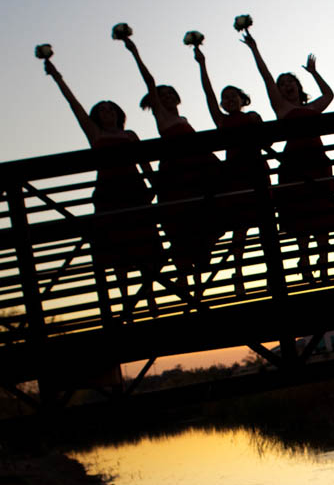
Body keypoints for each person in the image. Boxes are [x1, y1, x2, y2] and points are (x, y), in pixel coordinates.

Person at [43, 58, 161, 320]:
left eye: (111, 110)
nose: (107, 113)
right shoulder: (95, 135)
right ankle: (126, 300)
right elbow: (75, 106)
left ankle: (150, 298)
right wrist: (57, 77)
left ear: (118, 114)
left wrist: (156, 186)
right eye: (103, 111)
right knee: (118, 249)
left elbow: (145, 164)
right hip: (110, 194)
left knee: (145, 245)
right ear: (98, 116)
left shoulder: (130, 136)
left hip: (135, 191)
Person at [122, 34, 223, 301]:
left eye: (169, 94)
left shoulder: (182, 118)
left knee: (202, 220)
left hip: (197, 172)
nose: (166, 97)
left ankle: (197, 281)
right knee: (178, 224)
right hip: (176, 175)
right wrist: (134, 51)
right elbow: (150, 82)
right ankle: (184, 280)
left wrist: (201, 62)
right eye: (161, 95)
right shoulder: (164, 118)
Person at [242, 30, 334, 282]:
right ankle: (304, 259)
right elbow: (266, 77)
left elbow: (329, 95)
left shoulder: (312, 107)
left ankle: (324, 263)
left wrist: (314, 73)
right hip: (294, 163)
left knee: (322, 213)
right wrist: (255, 50)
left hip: (318, 161)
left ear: (297, 86)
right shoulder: (281, 107)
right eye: (283, 84)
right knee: (301, 215)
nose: (286, 86)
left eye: (290, 82)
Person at [193, 44, 269, 295]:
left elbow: (266, 139)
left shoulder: (252, 116)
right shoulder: (222, 120)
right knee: (240, 228)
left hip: (255, 172)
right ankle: (238, 271)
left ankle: (270, 270)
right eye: (225, 98)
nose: (229, 100)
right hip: (235, 176)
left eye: (233, 96)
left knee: (263, 222)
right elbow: (207, 94)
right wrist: (202, 65)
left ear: (241, 98)